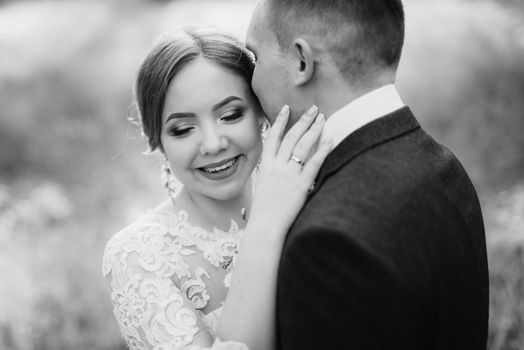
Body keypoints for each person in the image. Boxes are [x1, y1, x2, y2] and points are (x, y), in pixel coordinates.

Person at [242, 0, 489, 349]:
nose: (250, 81)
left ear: (301, 61)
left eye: (255, 58)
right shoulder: (444, 167)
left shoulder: (329, 243)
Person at [102, 28, 332, 350]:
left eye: (230, 114)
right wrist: (264, 227)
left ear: (260, 114)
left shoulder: (313, 194)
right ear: (158, 142)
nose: (212, 144)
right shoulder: (139, 255)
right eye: (182, 129)